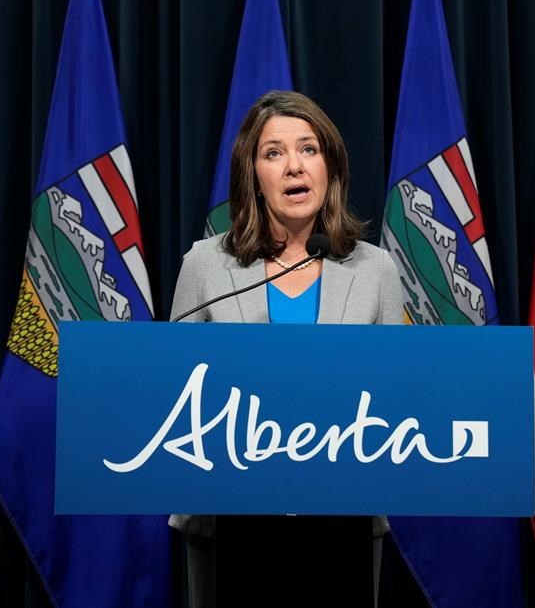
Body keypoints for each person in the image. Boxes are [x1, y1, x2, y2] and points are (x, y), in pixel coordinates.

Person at [170, 91, 402, 607]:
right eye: (274, 152)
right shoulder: (207, 267)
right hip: (228, 519)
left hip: (343, 514)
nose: (294, 165)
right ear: (252, 174)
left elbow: (399, 392)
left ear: (330, 167)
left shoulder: (374, 270)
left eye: (309, 149)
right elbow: (174, 390)